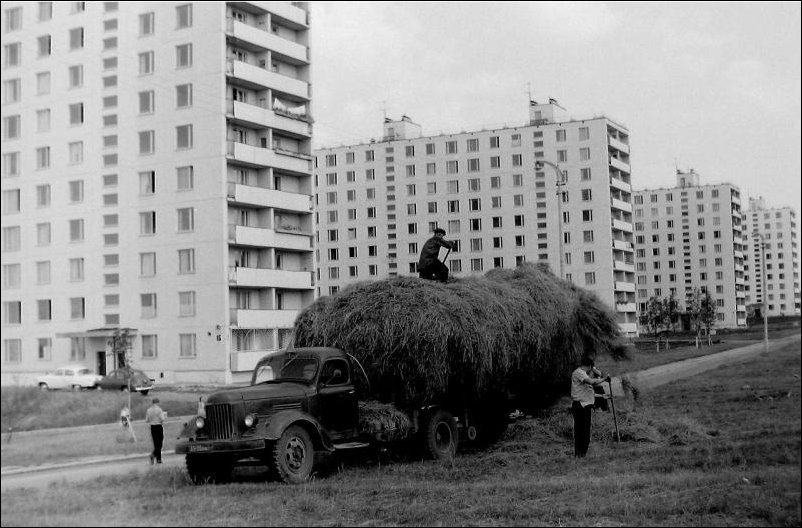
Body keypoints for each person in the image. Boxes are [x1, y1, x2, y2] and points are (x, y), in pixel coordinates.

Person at [570, 355, 609, 458]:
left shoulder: (583, 374)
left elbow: (588, 392)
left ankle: (582, 454)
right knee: (580, 431)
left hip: (586, 405)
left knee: (586, 431)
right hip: (580, 406)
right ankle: (579, 454)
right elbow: (592, 382)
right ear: (590, 366)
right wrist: (604, 379)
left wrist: (602, 396)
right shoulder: (579, 373)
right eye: (592, 368)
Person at [145, 398, 167, 464]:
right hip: (158, 426)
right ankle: (156, 457)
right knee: (160, 443)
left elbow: (147, 420)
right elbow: (162, 419)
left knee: (155, 443)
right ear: (157, 402)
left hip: (152, 427)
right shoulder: (159, 410)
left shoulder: (148, 410)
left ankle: (158, 458)